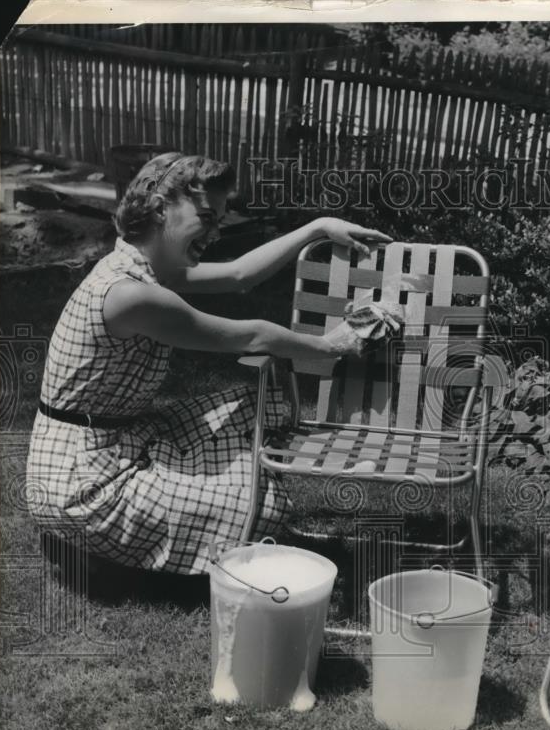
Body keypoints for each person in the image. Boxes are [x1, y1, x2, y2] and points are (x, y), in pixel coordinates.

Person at [25, 152, 392, 575]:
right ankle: (112, 541)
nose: (215, 232)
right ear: (161, 208)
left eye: (219, 219)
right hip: (80, 481)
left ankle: (178, 512)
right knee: (261, 509)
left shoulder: (143, 267)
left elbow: (239, 276)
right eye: (206, 216)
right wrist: (335, 345)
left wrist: (316, 227)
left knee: (244, 406)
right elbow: (253, 334)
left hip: (109, 438)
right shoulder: (132, 294)